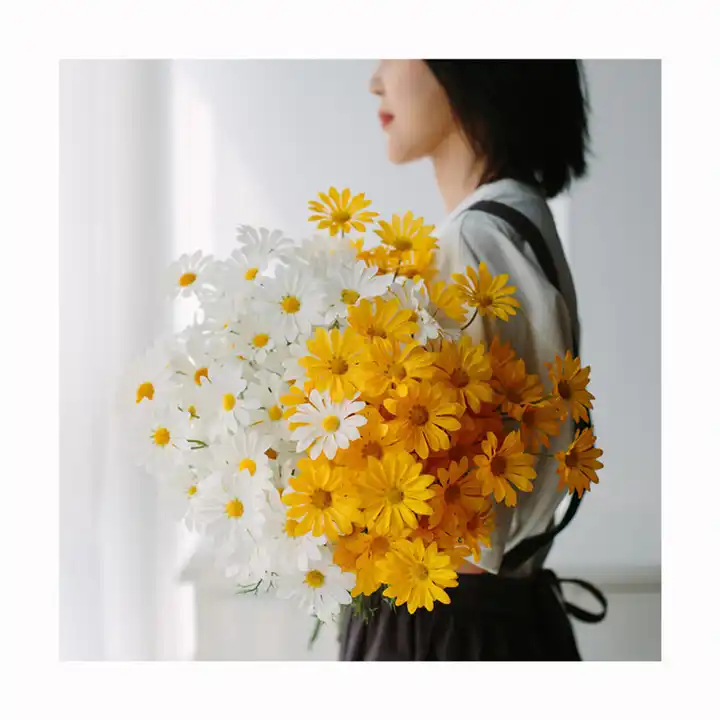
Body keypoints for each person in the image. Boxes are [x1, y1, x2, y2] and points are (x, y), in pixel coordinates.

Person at [338, 60, 606, 661]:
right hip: (490, 624)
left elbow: (471, 521)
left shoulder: (475, 240)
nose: (375, 82)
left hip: (447, 632)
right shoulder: (515, 218)